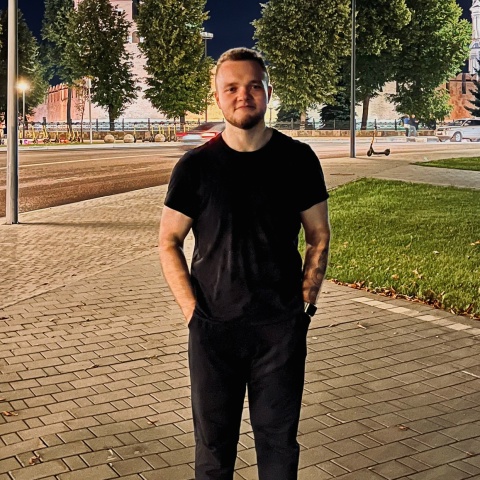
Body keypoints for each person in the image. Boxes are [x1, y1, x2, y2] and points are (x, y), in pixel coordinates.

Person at [158, 47, 331, 480]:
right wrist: (192, 313)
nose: (243, 95)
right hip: (213, 331)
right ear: (217, 96)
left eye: (254, 85)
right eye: (232, 87)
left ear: (269, 91)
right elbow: (169, 241)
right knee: (213, 453)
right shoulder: (196, 167)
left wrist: (304, 307)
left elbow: (319, 235)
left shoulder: (298, 160)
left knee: (278, 448)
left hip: (279, 330)